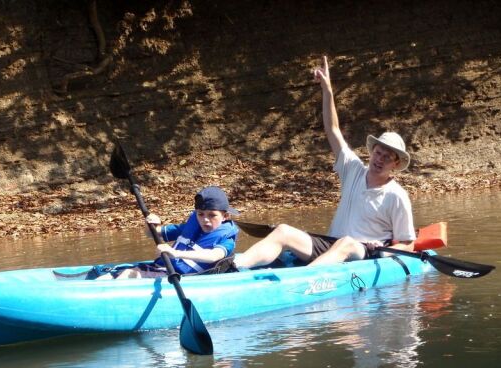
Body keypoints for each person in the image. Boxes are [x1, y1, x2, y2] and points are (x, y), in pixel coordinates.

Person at [233, 56, 416, 269]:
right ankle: (234, 267)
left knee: (347, 243)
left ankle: (305, 278)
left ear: (395, 164)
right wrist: (327, 90)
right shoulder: (353, 169)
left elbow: (408, 244)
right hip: (331, 246)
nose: (380, 159)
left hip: (363, 252)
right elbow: (333, 130)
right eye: (378, 152)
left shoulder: (397, 196)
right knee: (282, 230)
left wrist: (384, 254)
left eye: (387, 157)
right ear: (372, 152)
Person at [108, 186, 240, 279]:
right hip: (162, 269)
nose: (205, 219)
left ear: (225, 216)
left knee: (128, 275)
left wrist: (176, 253)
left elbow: (213, 256)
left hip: (181, 277)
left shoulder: (227, 239)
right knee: (109, 275)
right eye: (200, 214)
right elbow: (151, 233)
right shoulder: (189, 228)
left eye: (212, 215)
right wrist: (151, 224)